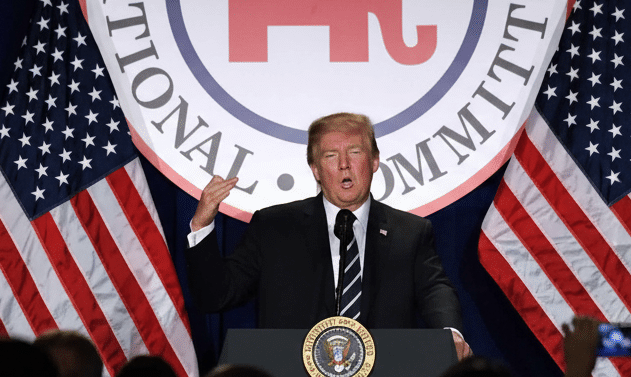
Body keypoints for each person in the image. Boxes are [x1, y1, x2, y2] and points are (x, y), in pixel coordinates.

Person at [187, 112, 468, 358]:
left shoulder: (410, 232)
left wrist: (450, 334)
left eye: (355, 152)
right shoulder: (274, 227)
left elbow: (435, 290)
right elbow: (217, 295)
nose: (344, 164)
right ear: (316, 170)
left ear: (374, 161)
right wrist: (202, 225)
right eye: (331, 156)